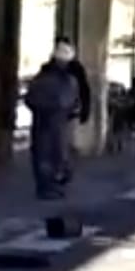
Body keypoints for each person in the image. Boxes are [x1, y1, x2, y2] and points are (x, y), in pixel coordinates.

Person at [25, 41, 81, 200]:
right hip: (56, 121)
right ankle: (52, 186)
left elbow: (30, 99)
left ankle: (47, 187)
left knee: (44, 155)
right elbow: (71, 102)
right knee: (56, 154)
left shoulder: (41, 77)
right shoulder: (66, 80)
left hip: (43, 121)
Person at [53, 36, 91, 184]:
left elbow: (84, 90)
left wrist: (84, 110)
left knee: (64, 142)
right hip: (58, 111)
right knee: (58, 142)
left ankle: (64, 169)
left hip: (68, 112)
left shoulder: (75, 68)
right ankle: (61, 169)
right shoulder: (51, 67)